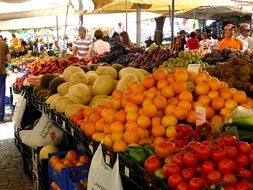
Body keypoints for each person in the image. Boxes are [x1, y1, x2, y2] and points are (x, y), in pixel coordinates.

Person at [0, 36, 11, 123]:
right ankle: (0, 117)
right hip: (1, 72)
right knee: (1, 95)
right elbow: (9, 60)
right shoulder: (4, 44)